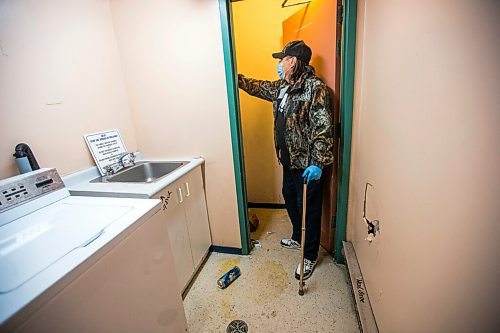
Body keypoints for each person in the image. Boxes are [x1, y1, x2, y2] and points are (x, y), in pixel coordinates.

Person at [238, 40, 334, 280]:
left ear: (293, 61)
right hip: (288, 160)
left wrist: (317, 162)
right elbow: (259, 87)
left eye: (282, 60)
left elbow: (323, 128)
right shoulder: (282, 87)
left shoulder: (315, 88)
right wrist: (236, 78)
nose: (279, 64)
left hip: (307, 165)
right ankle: (296, 237)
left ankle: (309, 256)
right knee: (290, 197)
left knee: (308, 210)